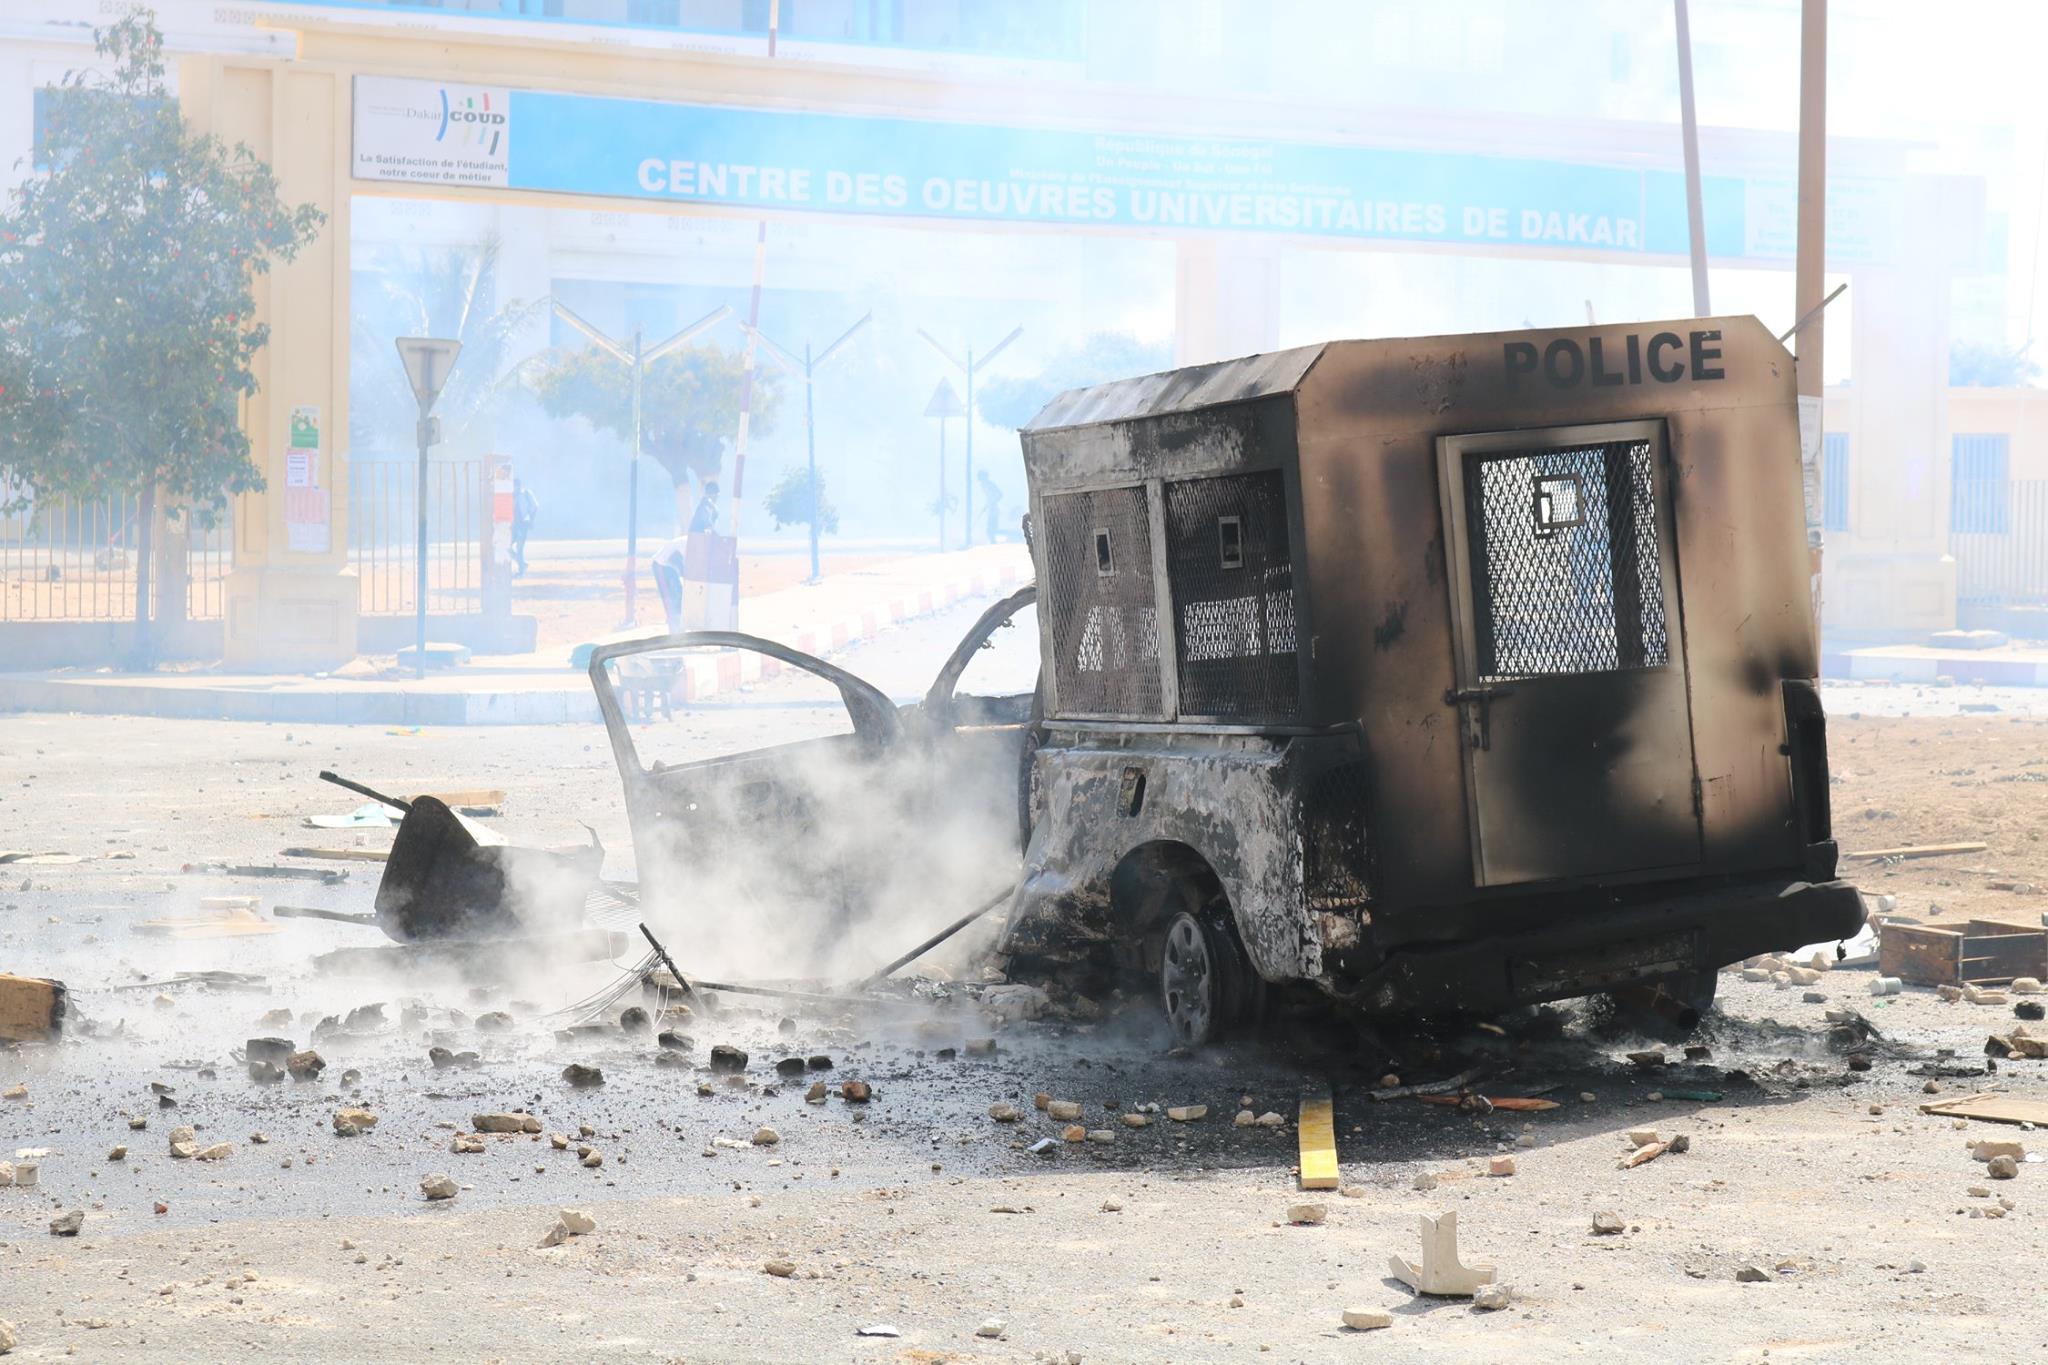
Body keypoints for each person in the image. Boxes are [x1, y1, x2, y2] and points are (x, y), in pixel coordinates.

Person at [510, 478, 538, 577]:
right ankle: (522, 563)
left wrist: (531, 520)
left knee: (519, 548)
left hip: (523, 524)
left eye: (516, 486)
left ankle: (521, 571)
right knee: (507, 546)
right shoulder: (512, 495)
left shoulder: (526, 493)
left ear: (519, 485)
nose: (514, 488)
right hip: (514, 525)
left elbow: (535, 506)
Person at [977, 469, 1003, 544]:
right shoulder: (984, 485)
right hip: (990, 508)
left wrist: (992, 502)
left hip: (993, 509)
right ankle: (993, 542)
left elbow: (1000, 494)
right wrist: (987, 504)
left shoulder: (990, 485)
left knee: (991, 529)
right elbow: (989, 497)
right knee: (990, 529)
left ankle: (993, 542)